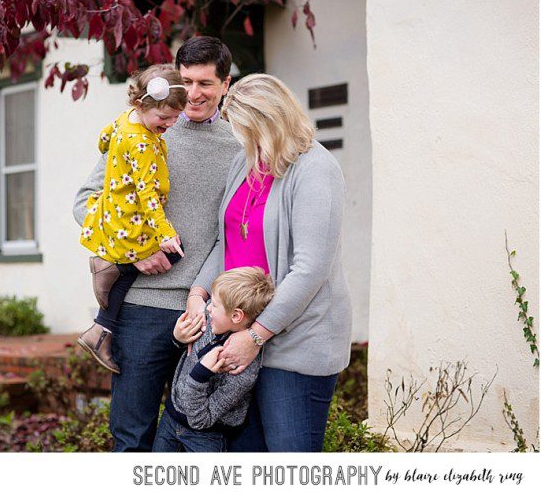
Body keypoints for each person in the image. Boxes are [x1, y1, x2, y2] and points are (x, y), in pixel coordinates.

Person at [72, 36, 241, 452]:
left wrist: (202, 295)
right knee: (132, 437)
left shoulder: (240, 146)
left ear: (226, 84)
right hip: (141, 310)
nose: (194, 95)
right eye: (186, 82)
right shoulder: (142, 129)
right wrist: (137, 250)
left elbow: (231, 234)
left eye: (205, 83)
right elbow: (86, 203)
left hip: (205, 315)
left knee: (197, 437)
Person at [187, 73, 353, 452]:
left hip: (293, 343)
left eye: (244, 129)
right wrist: (198, 293)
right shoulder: (245, 164)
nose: (239, 139)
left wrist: (256, 335)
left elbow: (310, 269)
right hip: (239, 339)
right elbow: (228, 240)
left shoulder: (315, 169)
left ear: (269, 121)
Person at [77, 63, 189, 374]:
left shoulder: (127, 120)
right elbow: (146, 194)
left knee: (135, 270)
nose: (169, 124)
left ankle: (101, 325)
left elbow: (105, 137)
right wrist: (164, 232)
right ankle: (111, 265)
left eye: (174, 118)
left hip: (115, 211)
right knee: (178, 251)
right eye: (164, 118)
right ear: (142, 105)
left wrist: (111, 150)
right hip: (131, 218)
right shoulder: (142, 142)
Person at [153, 267, 274, 452]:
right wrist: (177, 339)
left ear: (236, 315)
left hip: (206, 437)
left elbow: (201, 420)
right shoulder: (210, 322)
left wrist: (202, 373)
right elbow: (186, 354)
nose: (207, 307)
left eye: (214, 305)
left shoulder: (242, 369)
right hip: (169, 421)